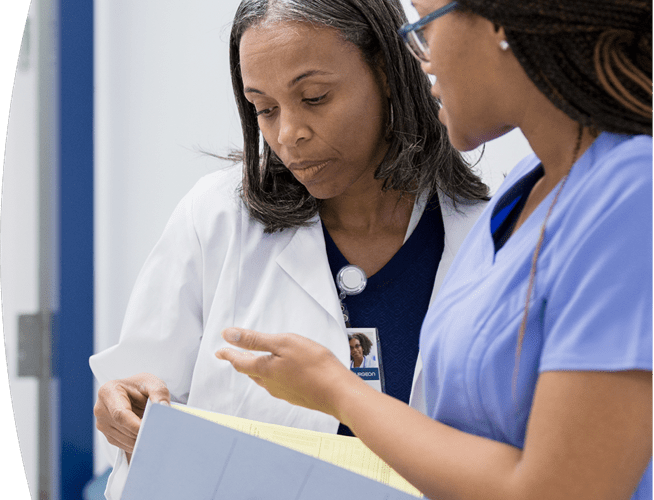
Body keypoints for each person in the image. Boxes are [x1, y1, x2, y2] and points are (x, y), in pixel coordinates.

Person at [216, 1, 653, 499]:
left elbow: (560, 491)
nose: (420, 59)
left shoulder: (635, 190)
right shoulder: (521, 194)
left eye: (426, 27)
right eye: (264, 109)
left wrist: (338, 391)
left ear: (501, 26)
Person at [90, 0, 489, 498]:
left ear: (387, 71)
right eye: (264, 108)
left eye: (315, 97)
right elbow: (144, 410)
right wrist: (125, 406)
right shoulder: (216, 219)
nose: (288, 134)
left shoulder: (489, 236)